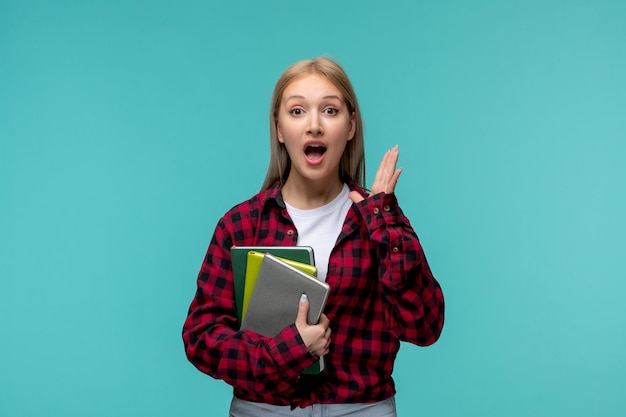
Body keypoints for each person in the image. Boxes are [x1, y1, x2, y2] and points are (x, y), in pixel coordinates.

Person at [182, 57, 445, 416]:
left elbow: (424, 327)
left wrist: (385, 220)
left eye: (331, 110)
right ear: (279, 128)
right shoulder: (240, 224)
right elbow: (201, 338)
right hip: (264, 409)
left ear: (350, 126)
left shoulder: (380, 222)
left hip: (362, 408)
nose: (314, 125)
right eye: (297, 111)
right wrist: (290, 349)